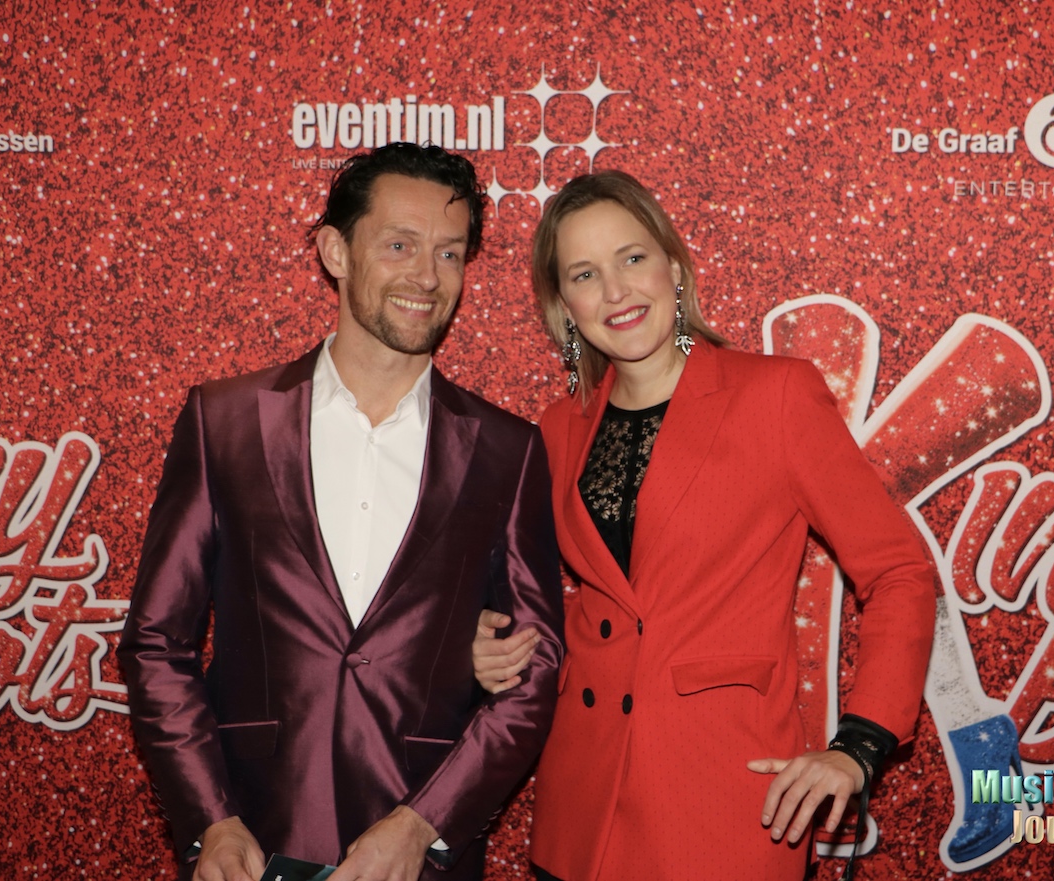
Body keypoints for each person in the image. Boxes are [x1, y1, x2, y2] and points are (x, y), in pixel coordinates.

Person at [118, 142, 565, 881]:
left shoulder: (506, 450)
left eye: (449, 253)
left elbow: (535, 665)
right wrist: (210, 820)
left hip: (419, 854)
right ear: (335, 251)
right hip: (250, 843)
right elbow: (157, 643)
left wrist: (425, 824)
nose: (427, 276)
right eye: (399, 245)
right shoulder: (224, 422)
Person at [473, 170, 936, 880]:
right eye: (585, 274)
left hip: (724, 796)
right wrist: (493, 644)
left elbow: (898, 570)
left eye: (632, 258)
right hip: (582, 805)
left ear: (674, 266)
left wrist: (862, 742)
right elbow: (567, 602)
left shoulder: (774, 395)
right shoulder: (559, 428)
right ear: (564, 306)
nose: (616, 291)